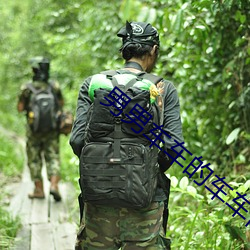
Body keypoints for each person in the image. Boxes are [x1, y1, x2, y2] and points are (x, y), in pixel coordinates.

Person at [70, 21, 184, 249]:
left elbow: (77, 140)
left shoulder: (93, 84)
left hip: (98, 202)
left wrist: (103, 166)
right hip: (146, 207)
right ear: (153, 50)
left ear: (124, 50)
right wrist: (145, 168)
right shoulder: (163, 88)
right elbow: (173, 146)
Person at [17, 57, 64, 202]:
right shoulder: (54, 86)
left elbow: (19, 109)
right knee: (53, 157)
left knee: (34, 159)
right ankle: (54, 186)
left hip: (33, 131)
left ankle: (39, 190)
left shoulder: (27, 88)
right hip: (52, 129)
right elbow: (61, 104)